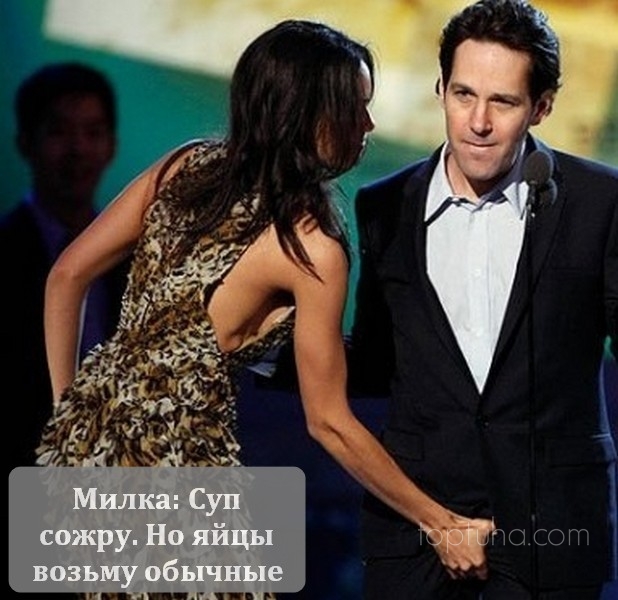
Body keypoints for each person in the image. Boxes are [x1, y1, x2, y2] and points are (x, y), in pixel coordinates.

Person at [34, 18, 495, 600]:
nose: (368, 125)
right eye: (355, 107)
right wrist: (441, 522)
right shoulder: (310, 246)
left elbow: (65, 276)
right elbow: (328, 423)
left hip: (87, 450)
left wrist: (67, 416)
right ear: (309, 113)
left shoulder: (185, 166)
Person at [348, 0, 618, 598]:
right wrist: (265, 346)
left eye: (503, 102)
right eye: (463, 95)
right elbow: (375, 360)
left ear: (542, 107)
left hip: (551, 529)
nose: (478, 122)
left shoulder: (599, 201)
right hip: (414, 532)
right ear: (440, 89)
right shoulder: (384, 205)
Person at [1, 62, 128, 474]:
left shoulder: (134, 258)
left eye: (93, 132)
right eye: (59, 132)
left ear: (112, 146)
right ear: (26, 143)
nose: (77, 149)